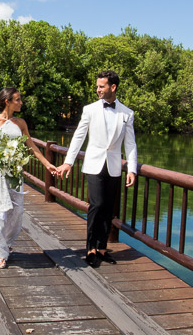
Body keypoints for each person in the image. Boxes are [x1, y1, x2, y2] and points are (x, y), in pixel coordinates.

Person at [56, 70, 137, 267]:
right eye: (97, 86)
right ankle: (90, 248)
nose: (98, 90)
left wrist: (132, 169)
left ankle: (102, 249)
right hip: (94, 164)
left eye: (101, 86)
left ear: (113, 87)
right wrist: (69, 161)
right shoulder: (89, 109)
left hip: (114, 166)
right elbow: (79, 136)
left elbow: (131, 144)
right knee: (97, 205)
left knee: (109, 208)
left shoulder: (127, 113)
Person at [0, 88, 57, 268]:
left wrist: (46, 164)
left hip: (15, 171)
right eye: (18, 100)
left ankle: (6, 241)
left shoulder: (20, 123)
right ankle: (0, 251)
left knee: (17, 210)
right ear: (7, 101)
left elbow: (32, 146)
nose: (21, 103)